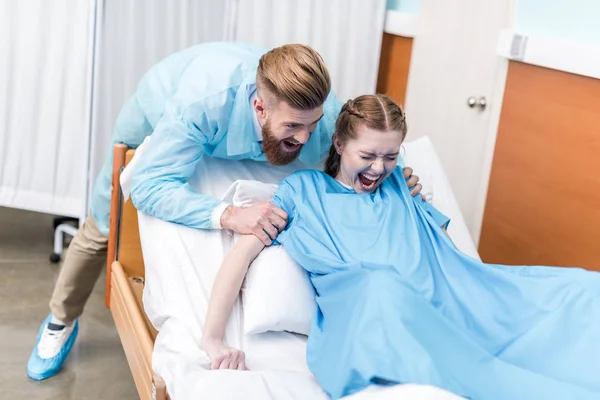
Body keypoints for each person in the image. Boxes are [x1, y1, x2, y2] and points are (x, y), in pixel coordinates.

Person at [27, 43, 424, 381]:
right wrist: (228, 215)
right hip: (159, 103)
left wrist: (390, 179)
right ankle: (61, 318)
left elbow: (358, 157)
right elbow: (149, 185)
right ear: (259, 107)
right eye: (293, 128)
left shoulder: (318, 116)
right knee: (105, 218)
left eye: (313, 125)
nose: (305, 139)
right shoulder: (201, 106)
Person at [202, 94, 600, 400]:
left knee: (580, 291)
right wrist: (213, 338)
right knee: (382, 286)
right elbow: (241, 254)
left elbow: (444, 255)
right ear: (339, 144)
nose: (378, 168)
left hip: (443, 304)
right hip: (373, 314)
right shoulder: (302, 192)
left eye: (391, 156)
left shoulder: (399, 185)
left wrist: (469, 276)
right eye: (368, 155)